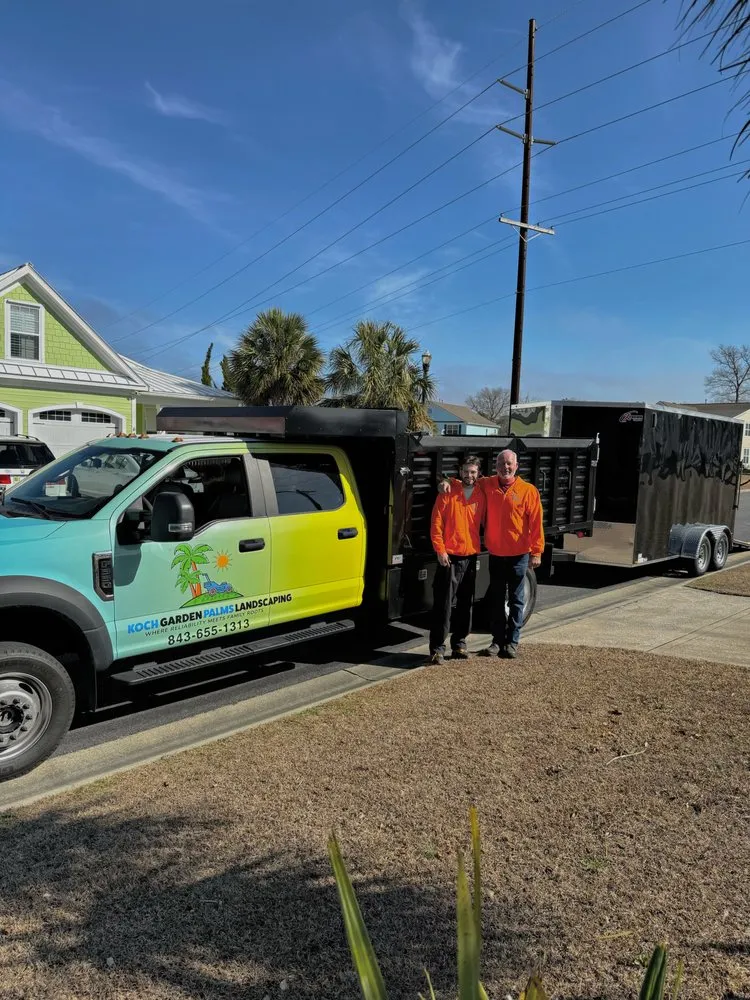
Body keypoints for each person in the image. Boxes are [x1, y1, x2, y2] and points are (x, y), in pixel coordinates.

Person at [439, 448, 544, 659]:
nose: (505, 468)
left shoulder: (528, 491)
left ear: (516, 466)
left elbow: (536, 523)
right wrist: (445, 480)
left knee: (515, 600)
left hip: (519, 555)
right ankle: (497, 641)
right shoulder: (487, 484)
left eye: (509, 464)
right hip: (496, 554)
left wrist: (537, 552)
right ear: (495, 467)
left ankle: (512, 642)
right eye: (501, 464)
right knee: (496, 599)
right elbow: (465, 479)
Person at [428, 455, 485, 665]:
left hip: (470, 556)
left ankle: (459, 644)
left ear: (478, 473)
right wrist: (440, 550)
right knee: (443, 606)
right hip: (449, 557)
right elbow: (436, 524)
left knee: (465, 605)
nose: (469, 475)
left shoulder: (482, 493)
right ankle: (437, 649)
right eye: (466, 471)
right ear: (459, 471)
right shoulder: (448, 491)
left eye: (473, 472)